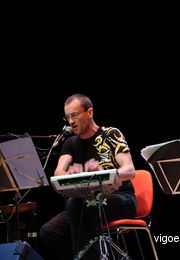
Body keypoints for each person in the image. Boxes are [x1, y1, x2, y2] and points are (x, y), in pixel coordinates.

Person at [39, 93, 137, 260]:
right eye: (67, 117)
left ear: (89, 112)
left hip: (120, 199)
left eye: (74, 115)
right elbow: (59, 173)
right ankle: (89, 255)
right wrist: (73, 178)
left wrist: (102, 178)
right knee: (49, 232)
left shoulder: (111, 134)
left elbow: (129, 170)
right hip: (84, 204)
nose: (70, 122)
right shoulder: (70, 143)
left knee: (77, 205)